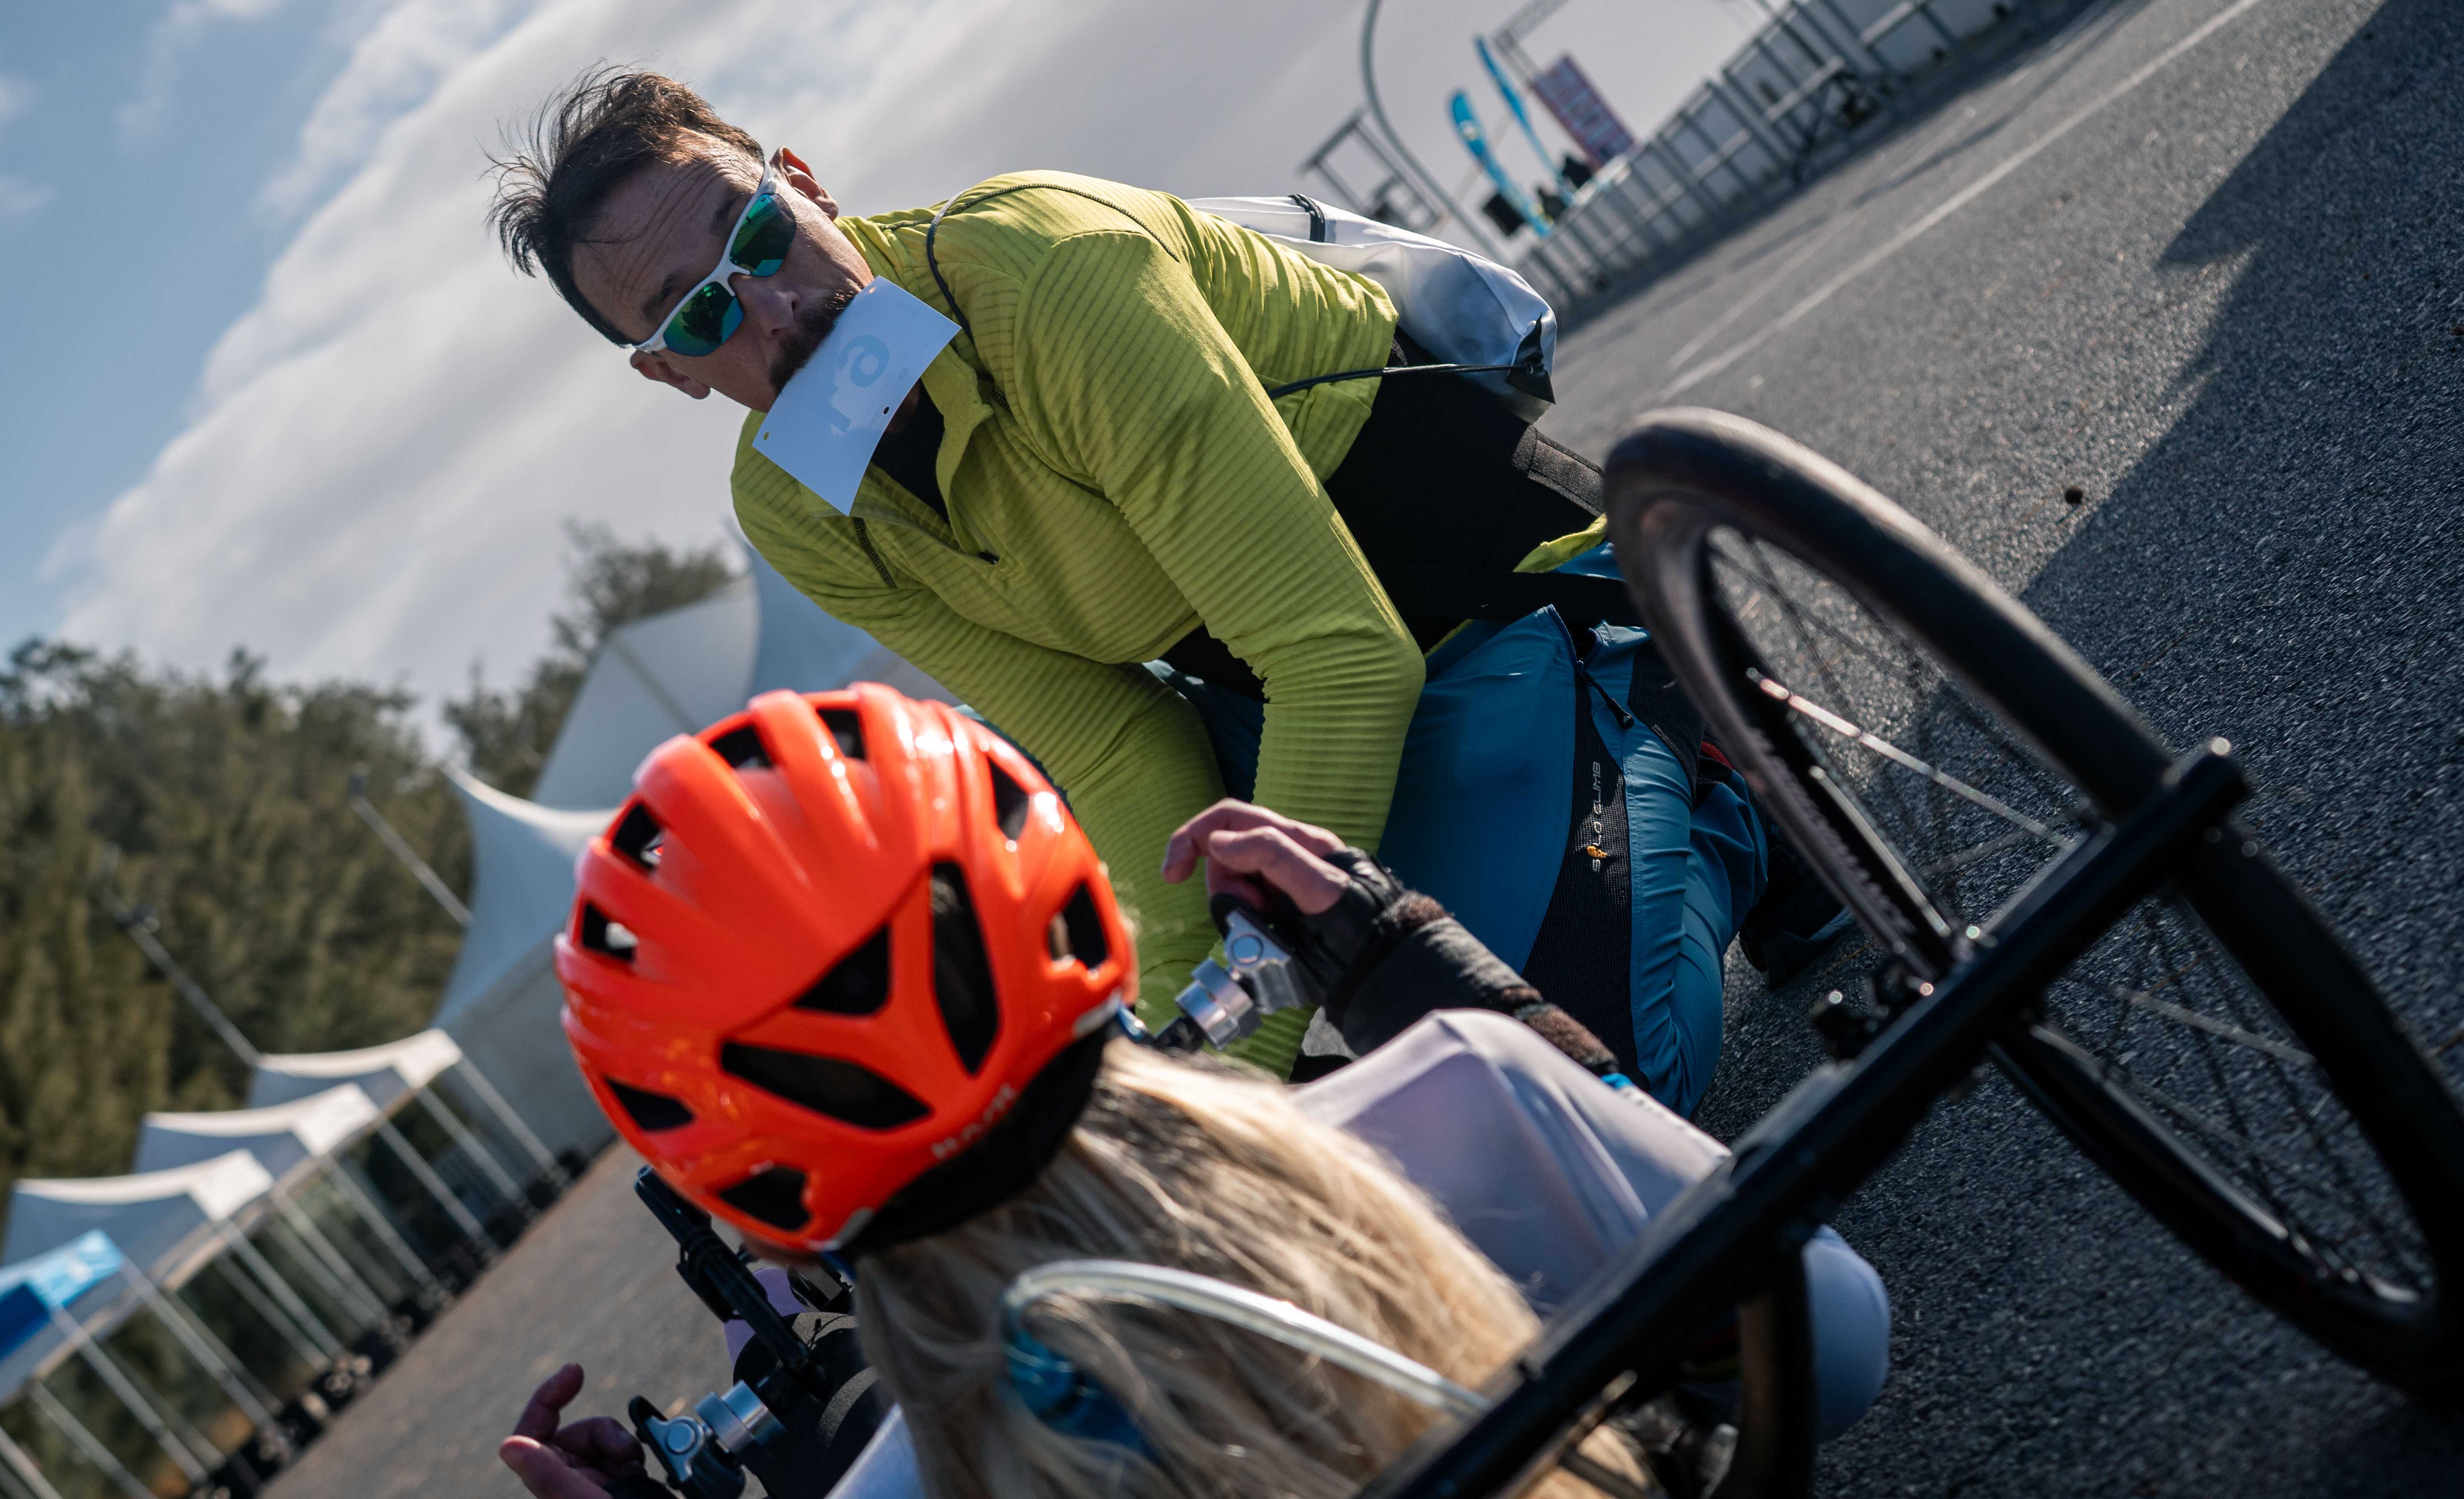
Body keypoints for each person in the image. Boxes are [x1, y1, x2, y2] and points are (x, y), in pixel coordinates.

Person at [485, 69, 1849, 1109]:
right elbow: (1119, 751)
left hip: (1502, 600)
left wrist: (1250, 1034)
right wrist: (1195, 1037)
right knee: (1439, 1092)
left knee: (1608, 1084)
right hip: (1289, 695)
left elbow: (1341, 654)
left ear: (805, 182)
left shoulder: (1046, 272)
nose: (774, 308)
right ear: (668, 371)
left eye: (760, 232)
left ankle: (1714, 758)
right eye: (702, 313)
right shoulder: (793, 510)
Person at [498, 682, 1891, 1499]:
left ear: (746, 1194)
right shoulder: (1467, 1096)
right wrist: (1410, 961)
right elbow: (1836, 1343)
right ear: (1070, 905)